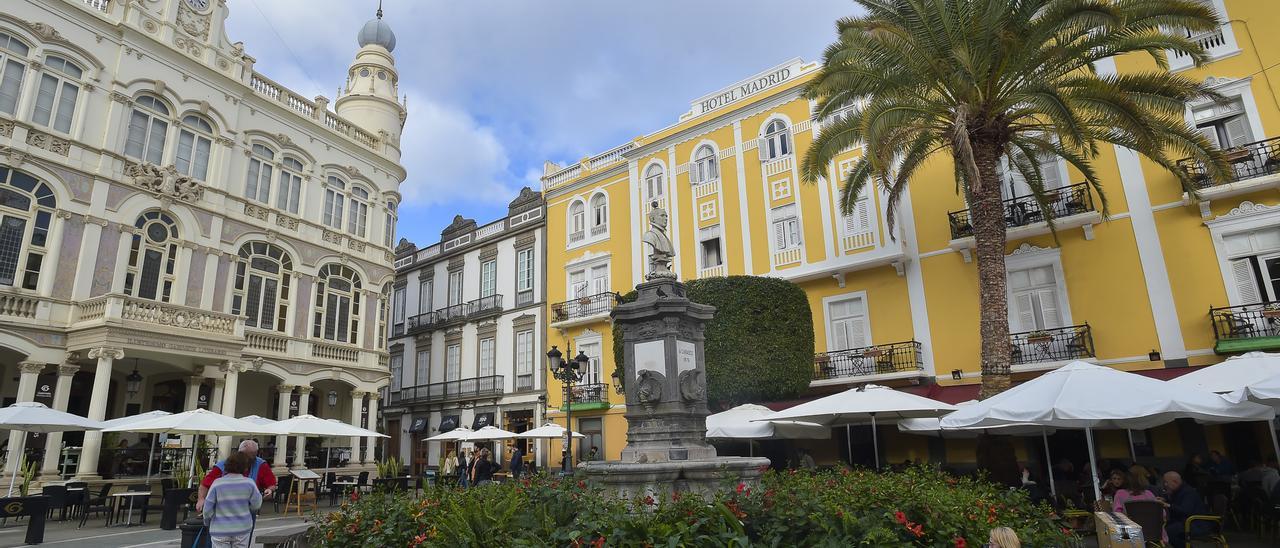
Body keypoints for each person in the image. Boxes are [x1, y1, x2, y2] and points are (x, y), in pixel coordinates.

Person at [202, 451, 263, 548]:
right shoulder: (250, 483)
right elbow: (257, 504)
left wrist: (207, 521)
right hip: (242, 528)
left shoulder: (217, 483)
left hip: (220, 529)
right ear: (245, 467)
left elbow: (208, 508)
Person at [197, 440, 275, 513]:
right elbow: (205, 485)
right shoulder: (222, 466)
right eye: (246, 456)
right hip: (224, 510)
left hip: (246, 510)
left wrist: (269, 490)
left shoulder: (261, 465)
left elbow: (271, 483)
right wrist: (201, 499)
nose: (249, 460)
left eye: (253, 456)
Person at [1158, 471, 1208, 548]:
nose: (1165, 485)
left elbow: (1185, 511)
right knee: (1163, 529)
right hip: (1185, 522)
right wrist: (1166, 501)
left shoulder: (1188, 492)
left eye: (1166, 482)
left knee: (1167, 532)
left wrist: (1167, 505)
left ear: (1175, 482)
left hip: (1195, 524)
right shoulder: (1179, 491)